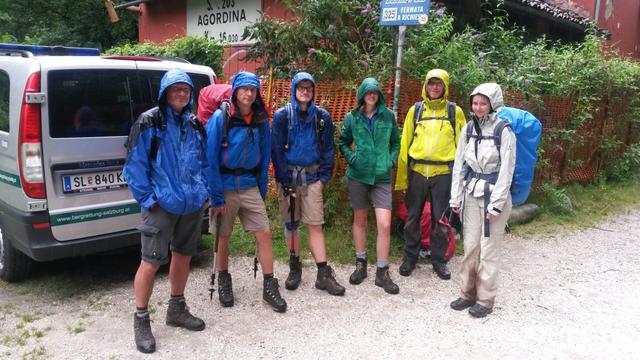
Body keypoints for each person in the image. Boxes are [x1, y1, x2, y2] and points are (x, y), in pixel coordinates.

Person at [124, 69, 209, 354]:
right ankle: (141, 319)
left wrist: (204, 191)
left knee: (184, 255)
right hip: (160, 204)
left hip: (191, 203)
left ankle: (177, 308)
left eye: (185, 90)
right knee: (150, 261)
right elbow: (134, 166)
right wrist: (148, 199)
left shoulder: (195, 123)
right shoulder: (150, 122)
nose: (181, 94)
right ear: (165, 93)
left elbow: (204, 162)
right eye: (176, 90)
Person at [205, 71, 287, 312]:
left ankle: (269, 286)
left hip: (250, 185)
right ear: (235, 90)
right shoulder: (221, 118)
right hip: (226, 185)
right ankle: (223, 279)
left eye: (253, 89)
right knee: (223, 236)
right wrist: (216, 196)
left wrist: (261, 189)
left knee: (265, 233)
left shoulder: (261, 121)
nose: (249, 93)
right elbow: (210, 159)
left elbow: (264, 157)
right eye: (244, 89)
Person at [271, 71, 345, 296]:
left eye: (309, 88)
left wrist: (323, 177)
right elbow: (276, 149)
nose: (305, 91)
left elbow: (328, 149)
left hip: (313, 179)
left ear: (313, 91)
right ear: (294, 90)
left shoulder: (321, 117)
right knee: (291, 224)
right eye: (301, 87)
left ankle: (323, 273)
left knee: (315, 224)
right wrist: (284, 180)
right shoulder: (283, 116)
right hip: (289, 179)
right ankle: (295, 266)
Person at [449, 83, 516, 318]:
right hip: (470, 194)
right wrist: (455, 198)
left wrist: (496, 205)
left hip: (492, 198)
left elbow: (507, 170)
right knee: (470, 247)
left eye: (483, 103)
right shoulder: (468, 129)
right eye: (475, 103)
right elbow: (460, 165)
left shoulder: (503, 131)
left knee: (488, 250)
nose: (478, 107)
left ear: (492, 104)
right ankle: (467, 293)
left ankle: (485, 300)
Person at [395, 69, 467, 280]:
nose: (435, 87)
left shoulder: (455, 112)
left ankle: (439, 260)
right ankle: (410, 257)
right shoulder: (415, 111)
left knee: (440, 220)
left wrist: (459, 181)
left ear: (445, 86)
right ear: (425, 86)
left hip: (444, 173)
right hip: (417, 171)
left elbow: (462, 149)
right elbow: (404, 144)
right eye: (431, 83)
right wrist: (402, 178)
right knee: (412, 217)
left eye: (439, 84)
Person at [338, 77, 400, 294]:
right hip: (358, 175)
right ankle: (361, 263)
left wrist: (391, 159)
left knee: (384, 224)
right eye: (368, 91)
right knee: (360, 219)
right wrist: (352, 158)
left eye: (375, 91)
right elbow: (343, 141)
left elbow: (396, 141)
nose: (372, 95)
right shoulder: (352, 117)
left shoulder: (388, 115)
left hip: (381, 176)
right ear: (362, 94)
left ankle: (382, 271)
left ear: (379, 94)